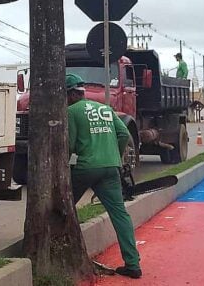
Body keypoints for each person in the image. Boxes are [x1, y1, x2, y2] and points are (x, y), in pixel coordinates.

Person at [66, 73, 142, 279]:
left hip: (86, 167)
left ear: (71, 94)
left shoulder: (71, 112)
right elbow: (124, 134)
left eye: (65, 95)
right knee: (119, 214)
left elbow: (70, 145)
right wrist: (115, 155)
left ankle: (63, 252)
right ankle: (132, 264)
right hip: (111, 167)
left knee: (64, 207)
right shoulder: (105, 108)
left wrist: (67, 163)